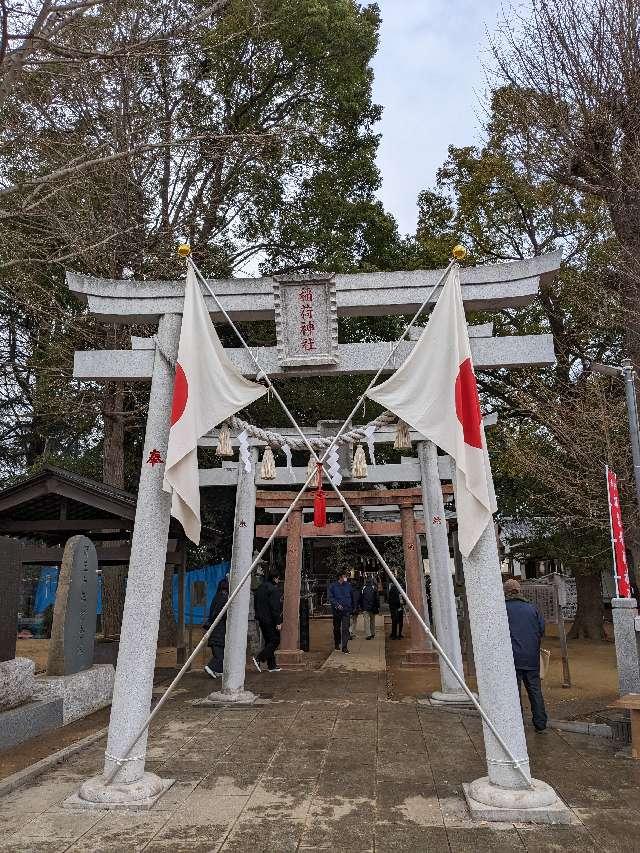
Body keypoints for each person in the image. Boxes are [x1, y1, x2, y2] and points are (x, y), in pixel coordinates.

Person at [503, 578, 548, 733]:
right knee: (535, 690)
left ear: (506, 592)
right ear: (519, 590)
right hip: (531, 656)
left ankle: (517, 722)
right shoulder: (531, 608)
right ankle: (540, 722)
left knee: (514, 691)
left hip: (512, 656)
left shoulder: (503, 609)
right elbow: (542, 629)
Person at [252, 571, 283, 673]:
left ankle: (272, 665)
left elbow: (255, 604)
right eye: (278, 579)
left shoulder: (260, 588)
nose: (278, 581)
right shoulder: (273, 590)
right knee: (275, 640)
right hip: (270, 619)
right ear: (274, 578)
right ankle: (259, 658)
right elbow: (275, 608)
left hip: (261, 619)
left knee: (269, 641)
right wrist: (278, 622)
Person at [204, 577, 229, 679]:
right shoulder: (223, 598)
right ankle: (210, 667)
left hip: (215, 629)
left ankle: (218, 670)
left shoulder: (217, 596)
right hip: (218, 630)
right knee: (220, 655)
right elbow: (220, 614)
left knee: (219, 652)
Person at [328, 570, 354, 653]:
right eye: (344, 576)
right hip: (337, 611)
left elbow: (352, 596)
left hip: (346, 610)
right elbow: (330, 597)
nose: (346, 578)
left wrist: (352, 606)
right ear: (340, 577)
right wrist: (336, 604)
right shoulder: (333, 586)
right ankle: (337, 642)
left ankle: (344, 647)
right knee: (337, 628)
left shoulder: (348, 586)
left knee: (345, 628)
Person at [360, 575, 379, 639]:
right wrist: (377, 606)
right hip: (372, 607)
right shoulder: (374, 588)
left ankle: (368, 634)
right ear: (371, 581)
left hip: (365, 607)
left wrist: (361, 606)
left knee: (366, 621)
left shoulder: (363, 588)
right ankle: (373, 633)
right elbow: (377, 598)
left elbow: (361, 598)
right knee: (372, 621)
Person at [388, 574, 405, 640]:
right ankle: (394, 634)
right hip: (394, 607)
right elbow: (391, 599)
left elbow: (404, 597)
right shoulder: (393, 588)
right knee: (395, 621)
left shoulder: (401, 589)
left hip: (400, 607)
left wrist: (403, 602)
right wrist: (399, 602)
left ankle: (399, 634)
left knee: (400, 621)